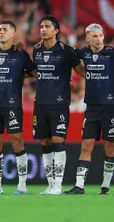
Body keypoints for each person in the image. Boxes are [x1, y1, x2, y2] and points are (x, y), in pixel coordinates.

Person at [65, 23, 114, 195]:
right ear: (87, 38)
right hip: (91, 108)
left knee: (109, 146)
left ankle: (105, 187)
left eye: (100, 35)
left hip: (110, 107)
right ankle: (79, 186)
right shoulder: (83, 53)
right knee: (86, 145)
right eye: (94, 36)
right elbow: (68, 55)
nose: (98, 39)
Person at [0, 20, 36, 195]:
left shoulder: (20, 54)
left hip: (12, 104)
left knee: (17, 142)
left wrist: (18, 75)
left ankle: (22, 185)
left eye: (5, 29)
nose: (1, 32)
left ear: (13, 33)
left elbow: (33, 72)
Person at [31, 15, 84, 195]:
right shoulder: (36, 50)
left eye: (47, 26)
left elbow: (81, 71)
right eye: (41, 26)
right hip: (41, 102)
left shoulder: (67, 51)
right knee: (45, 141)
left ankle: (59, 185)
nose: (43, 29)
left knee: (58, 140)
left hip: (59, 103)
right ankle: (51, 184)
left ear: (56, 30)